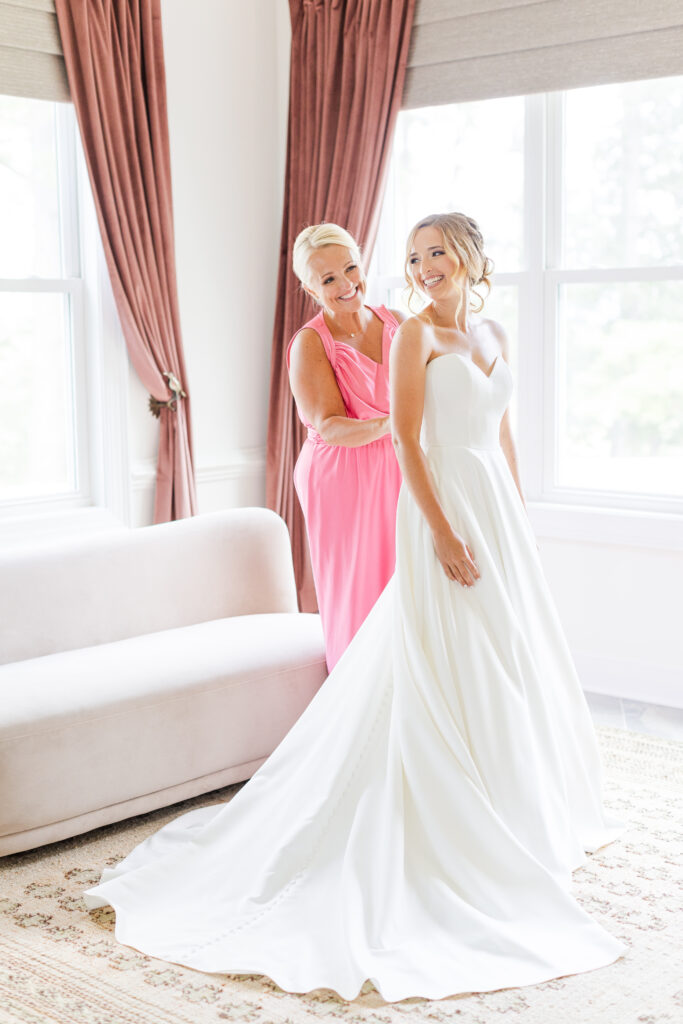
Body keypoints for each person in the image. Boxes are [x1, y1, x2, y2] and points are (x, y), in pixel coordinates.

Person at [83, 212, 627, 1003]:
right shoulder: (407, 339)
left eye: (436, 252)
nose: (422, 265)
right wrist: (439, 530)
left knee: (507, 650)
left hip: (493, 508)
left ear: (469, 258)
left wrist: (517, 514)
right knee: (444, 647)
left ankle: (515, 799)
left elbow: (501, 432)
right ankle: (444, 812)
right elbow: (406, 440)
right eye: (414, 256)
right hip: (431, 499)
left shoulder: (489, 331)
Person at [287, 223, 403, 668]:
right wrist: (396, 424)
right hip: (343, 476)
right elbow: (330, 425)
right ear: (310, 288)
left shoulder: (399, 324)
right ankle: (358, 703)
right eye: (328, 278)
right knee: (360, 590)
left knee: (405, 582)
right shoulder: (311, 343)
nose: (345, 283)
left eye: (350, 268)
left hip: (398, 464)